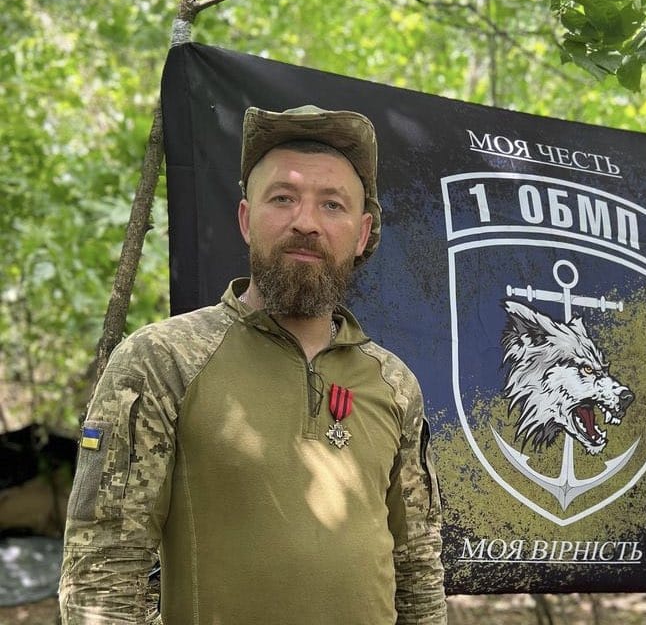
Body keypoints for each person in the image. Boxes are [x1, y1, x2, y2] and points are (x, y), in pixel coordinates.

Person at [59, 104, 447, 624]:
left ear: (361, 234)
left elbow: (417, 567)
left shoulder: (393, 382)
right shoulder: (162, 361)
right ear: (246, 219)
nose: (305, 222)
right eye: (283, 198)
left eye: (332, 205)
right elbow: (103, 573)